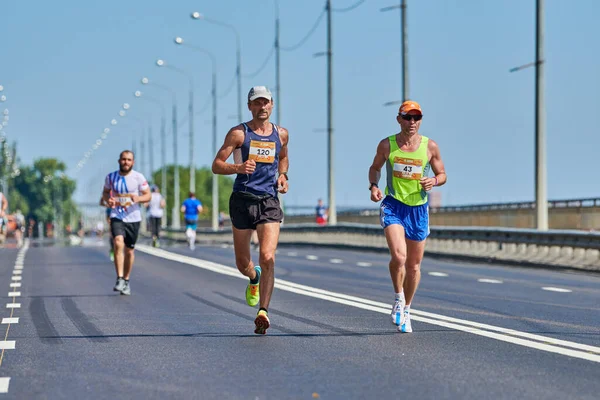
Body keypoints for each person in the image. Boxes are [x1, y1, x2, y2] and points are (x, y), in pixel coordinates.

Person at [212, 85, 289, 335]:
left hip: (268, 201)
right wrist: (239, 168)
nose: (262, 107)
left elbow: (284, 157)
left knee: (268, 257)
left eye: (266, 102)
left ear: (272, 105)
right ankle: (253, 277)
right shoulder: (238, 134)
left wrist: (283, 176)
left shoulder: (281, 134)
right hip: (242, 201)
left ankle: (263, 312)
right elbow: (217, 165)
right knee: (242, 262)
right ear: (250, 106)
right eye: (257, 103)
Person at [368, 100, 446, 333]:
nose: (412, 122)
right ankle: (398, 298)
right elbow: (375, 167)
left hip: (418, 209)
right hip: (393, 205)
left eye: (416, 118)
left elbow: (442, 174)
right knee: (399, 257)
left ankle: (408, 309)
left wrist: (433, 180)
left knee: (413, 266)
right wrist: (373, 186)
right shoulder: (387, 145)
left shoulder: (430, 146)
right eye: (407, 117)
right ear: (399, 119)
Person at [102, 150, 151, 296]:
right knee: (118, 242)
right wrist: (108, 200)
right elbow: (105, 193)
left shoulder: (138, 177)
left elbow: (147, 195)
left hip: (133, 218)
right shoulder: (111, 177)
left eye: (129, 160)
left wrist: (139, 199)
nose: (126, 162)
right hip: (117, 215)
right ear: (119, 161)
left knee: (129, 251)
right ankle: (120, 278)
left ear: (133, 162)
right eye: (123, 159)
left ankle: (127, 279)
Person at [100, 196, 115, 261]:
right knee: (112, 235)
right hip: (111, 216)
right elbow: (101, 202)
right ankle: (112, 249)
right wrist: (107, 205)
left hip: (121, 216)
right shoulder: (108, 192)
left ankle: (119, 251)